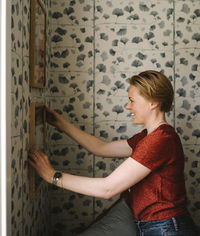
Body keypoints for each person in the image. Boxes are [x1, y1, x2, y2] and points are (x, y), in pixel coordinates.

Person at [28, 70, 197, 235]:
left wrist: (53, 176)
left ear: (153, 102)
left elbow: (107, 189)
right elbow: (100, 148)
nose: (127, 106)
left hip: (166, 228)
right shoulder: (148, 137)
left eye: (132, 100)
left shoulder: (159, 140)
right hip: (159, 226)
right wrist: (59, 123)